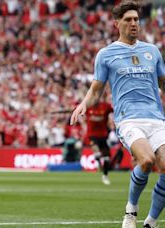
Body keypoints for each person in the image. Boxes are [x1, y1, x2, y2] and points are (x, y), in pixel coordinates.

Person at [70, 1, 165, 228]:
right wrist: (83, 104)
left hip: (156, 119)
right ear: (117, 24)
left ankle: (150, 223)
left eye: (136, 19)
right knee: (146, 160)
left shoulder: (152, 52)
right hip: (129, 119)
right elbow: (96, 90)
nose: (134, 23)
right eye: (128, 20)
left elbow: (163, 84)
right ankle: (130, 212)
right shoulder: (106, 54)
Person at [85, 96, 113, 185]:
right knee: (96, 150)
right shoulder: (87, 106)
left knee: (107, 158)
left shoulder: (105, 106)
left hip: (103, 135)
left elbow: (115, 110)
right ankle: (98, 161)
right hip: (92, 135)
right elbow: (76, 109)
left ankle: (105, 176)